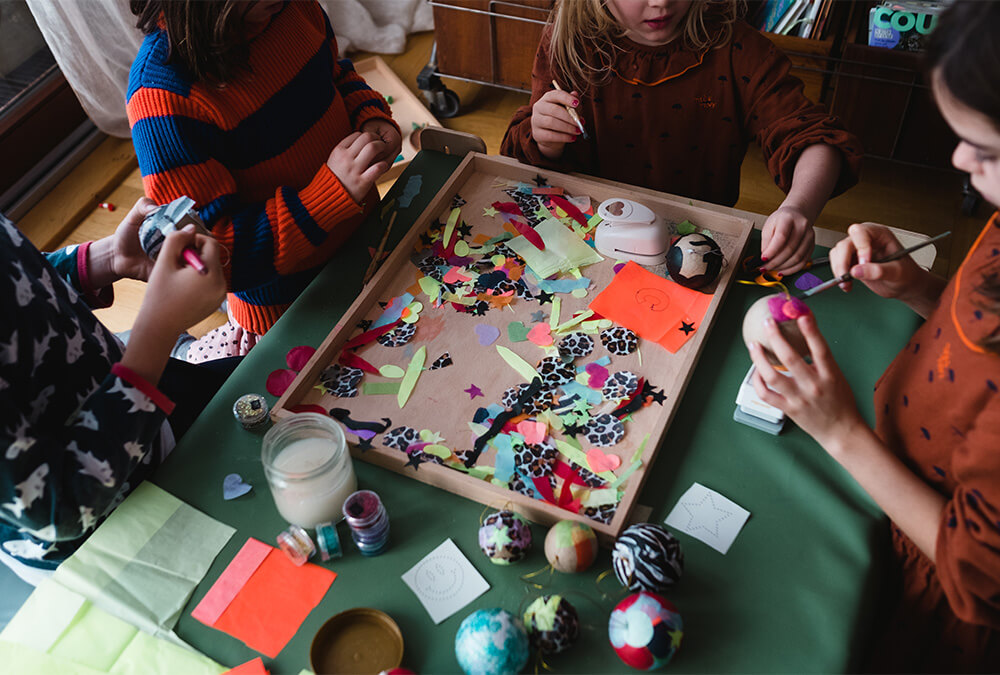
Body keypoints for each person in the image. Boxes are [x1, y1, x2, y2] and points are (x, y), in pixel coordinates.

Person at [746, 2, 1000, 669]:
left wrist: (838, 430)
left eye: (988, 149)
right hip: (898, 495)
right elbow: (980, 340)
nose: (956, 157)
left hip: (939, 603)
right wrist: (917, 288)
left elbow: (976, 575)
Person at [127, 0, 402, 362]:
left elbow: (335, 74)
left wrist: (367, 114)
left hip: (366, 246)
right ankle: (184, 351)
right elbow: (217, 256)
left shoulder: (293, 9)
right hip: (286, 311)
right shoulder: (162, 96)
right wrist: (329, 195)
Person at [501, 0, 862, 274]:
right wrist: (543, 136)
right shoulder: (567, 40)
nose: (660, 3)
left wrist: (798, 207)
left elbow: (814, 137)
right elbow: (522, 153)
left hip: (697, 244)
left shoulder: (740, 49)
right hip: (589, 244)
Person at [0, 199, 228, 584]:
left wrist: (109, 258)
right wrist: (159, 326)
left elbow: (18, 280)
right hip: (104, 532)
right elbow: (63, 506)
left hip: (139, 394)